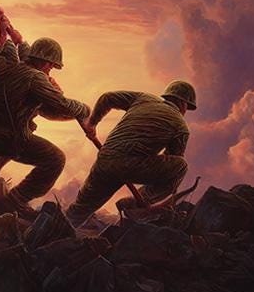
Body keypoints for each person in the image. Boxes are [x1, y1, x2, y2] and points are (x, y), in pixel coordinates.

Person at [0, 32, 90, 228]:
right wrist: (84, 109)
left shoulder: (17, 69)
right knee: (55, 159)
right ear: (46, 63)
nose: (51, 71)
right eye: (52, 66)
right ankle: (15, 201)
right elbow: (60, 105)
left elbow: (47, 110)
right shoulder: (35, 78)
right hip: (11, 139)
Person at [68, 79, 197, 222]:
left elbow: (107, 98)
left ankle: (54, 231)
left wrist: (92, 124)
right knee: (180, 166)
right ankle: (137, 203)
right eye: (187, 107)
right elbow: (171, 160)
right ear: (183, 103)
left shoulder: (143, 98)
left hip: (105, 160)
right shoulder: (181, 126)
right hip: (132, 166)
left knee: (80, 209)